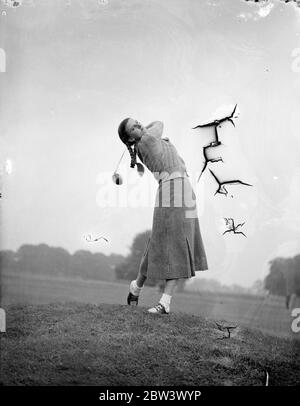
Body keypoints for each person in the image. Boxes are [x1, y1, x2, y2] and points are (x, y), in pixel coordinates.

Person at [118, 117, 208, 314]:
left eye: (137, 122)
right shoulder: (145, 142)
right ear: (130, 139)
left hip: (184, 189)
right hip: (171, 190)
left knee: (163, 241)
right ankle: (165, 303)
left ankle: (136, 287)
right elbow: (159, 123)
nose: (139, 125)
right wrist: (145, 130)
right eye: (133, 127)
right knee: (176, 242)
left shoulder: (151, 139)